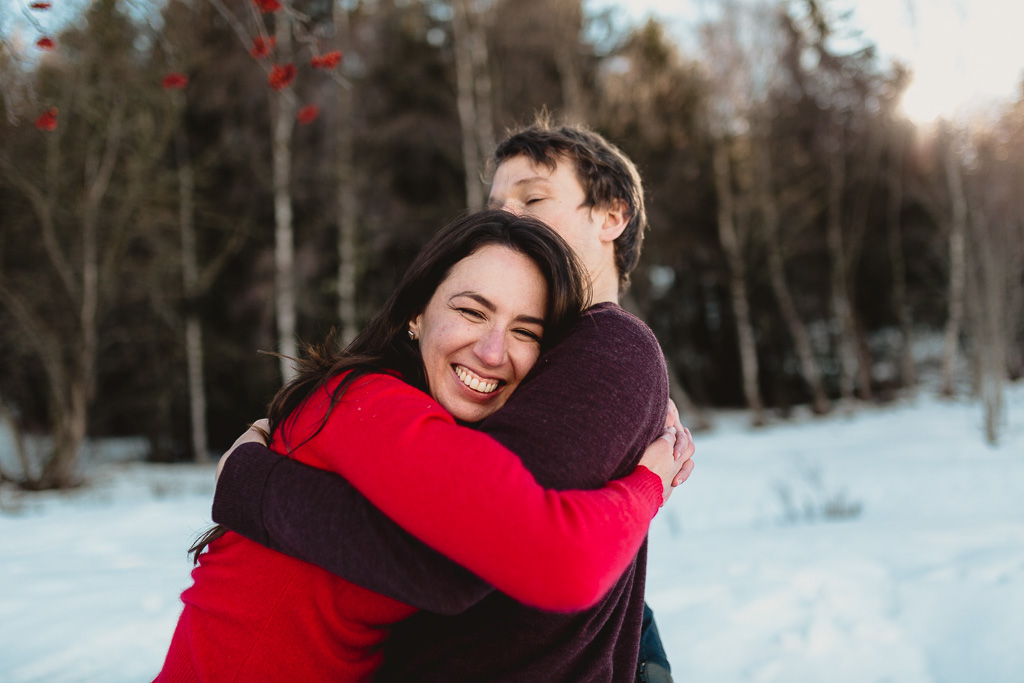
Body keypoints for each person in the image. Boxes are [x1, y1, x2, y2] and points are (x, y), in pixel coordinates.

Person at [213, 119, 693, 682]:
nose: (506, 217)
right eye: (495, 203)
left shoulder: (609, 345)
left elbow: (474, 552)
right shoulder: (526, 365)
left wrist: (248, 481)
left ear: (612, 215)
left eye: (532, 198)